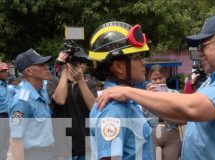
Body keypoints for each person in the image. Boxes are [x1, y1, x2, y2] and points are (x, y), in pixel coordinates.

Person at [96, 15, 215, 159]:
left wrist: (129, 91)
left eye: (203, 46)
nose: (199, 54)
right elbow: (182, 114)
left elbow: (192, 108)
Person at [88, 21, 154, 160]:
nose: (143, 62)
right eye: (136, 57)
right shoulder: (113, 109)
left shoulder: (127, 101)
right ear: (118, 67)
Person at [46, 51, 97, 160]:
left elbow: (94, 108)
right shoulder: (54, 81)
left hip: (85, 145)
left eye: (84, 63)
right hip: (62, 146)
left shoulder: (90, 84)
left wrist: (81, 81)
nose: (82, 66)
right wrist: (64, 70)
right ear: (68, 63)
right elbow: (60, 100)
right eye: (78, 63)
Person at [9, 48, 55, 160]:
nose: (46, 67)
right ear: (29, 71)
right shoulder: (22, 101)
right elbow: (16, 141)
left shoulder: (42, 92)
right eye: (41, 65)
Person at [144, 64, 182, 160]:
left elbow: (181, 113)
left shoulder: (174, 94)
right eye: (154, 79)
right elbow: (142, 115)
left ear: (165, 77)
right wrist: (146, 97)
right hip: (153, 133)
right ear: (149, 79)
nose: (158, 81)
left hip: (172, 134)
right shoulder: (145, 95)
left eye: (160, 78)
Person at [0, 62, 10, 160]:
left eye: (6, 70)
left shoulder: (5, 84)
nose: (6, 73)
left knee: (6, 141)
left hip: (7, 116)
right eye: (3, 71)